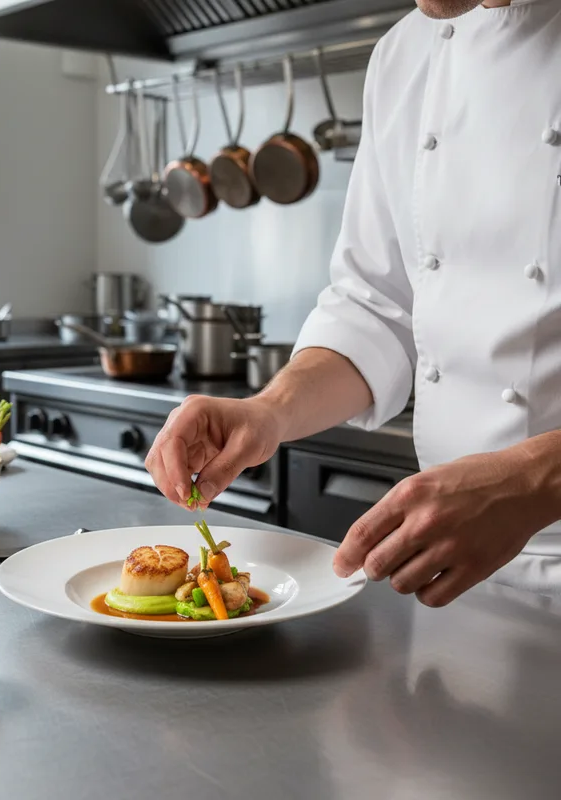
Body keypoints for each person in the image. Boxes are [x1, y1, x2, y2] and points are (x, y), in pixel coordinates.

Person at [145, 0, 561, 606]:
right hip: (450, 570)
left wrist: (529, 481)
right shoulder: (403, 54)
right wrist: (270, 412)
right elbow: (376, 308)